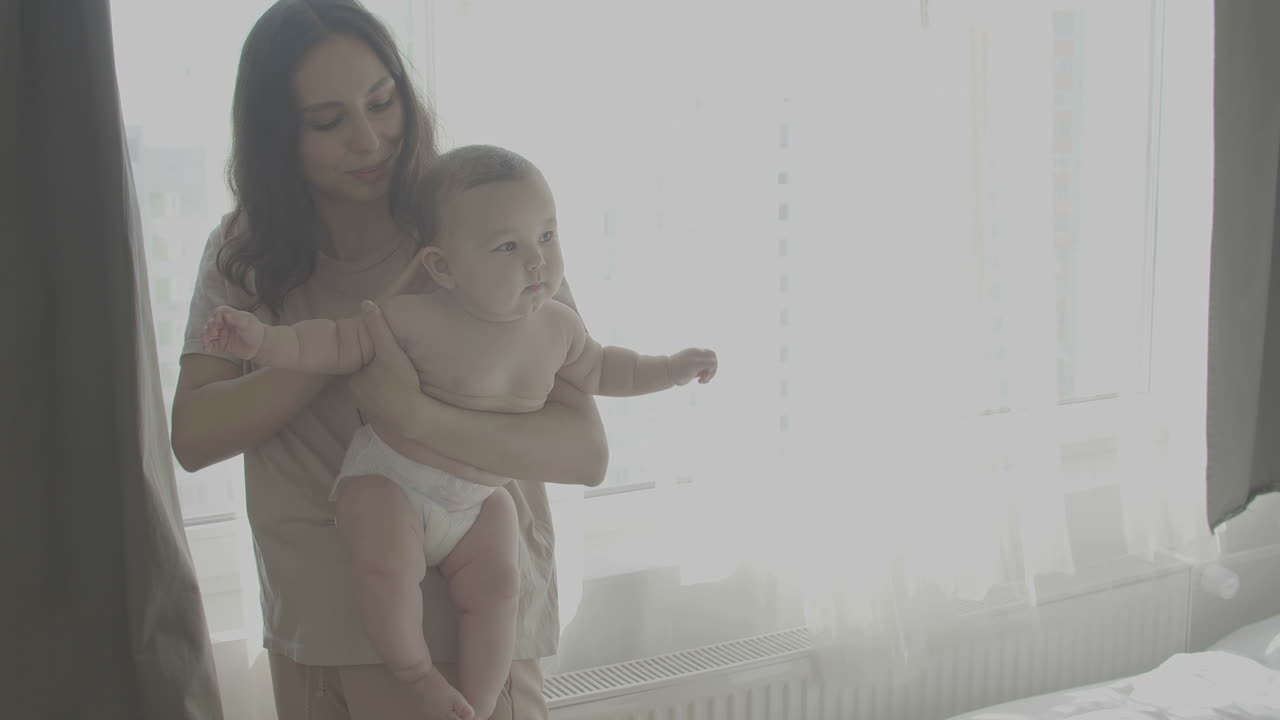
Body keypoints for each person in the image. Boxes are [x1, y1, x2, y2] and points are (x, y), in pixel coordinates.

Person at [172, 2, 608, 718]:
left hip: (474, 625)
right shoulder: (243, 250)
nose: (369, 139)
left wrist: (412, 414)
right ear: (277, 133)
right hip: (320, 621)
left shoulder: (476, 218)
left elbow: (584, 449)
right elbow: (194, 436)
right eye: (328, 120)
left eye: (383, 102)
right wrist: (350, 340)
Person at [201, 144, 719, 720]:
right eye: (508, 246)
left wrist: (672, 368)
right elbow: (328, 341)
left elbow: (609, 371)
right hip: (389, 479)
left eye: (547, 236)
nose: (537, 261)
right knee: (385, 565)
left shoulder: (557, 328)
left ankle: (476, 700)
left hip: (475, 499)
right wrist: (262, 342)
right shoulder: (415, 316)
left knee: (500, 585)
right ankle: (416, 672)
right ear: (442, 267)